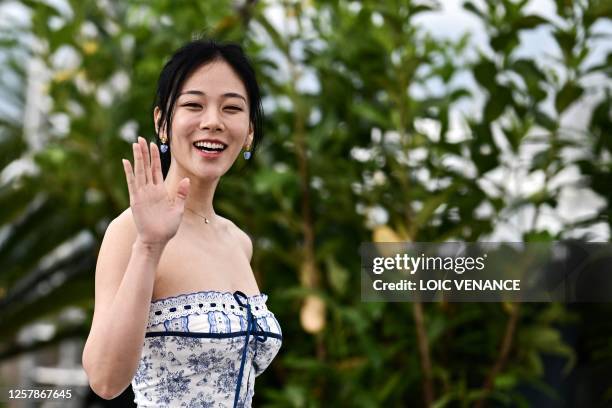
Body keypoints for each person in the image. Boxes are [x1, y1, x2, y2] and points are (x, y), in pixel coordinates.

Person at [81, 39, 282, 407]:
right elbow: (105, 380)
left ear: (250, 129)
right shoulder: (130, 232)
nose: (213, 122)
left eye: (232, 108)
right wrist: (149, 246)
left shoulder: (239, 241)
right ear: (162, 121)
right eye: (193, 104)